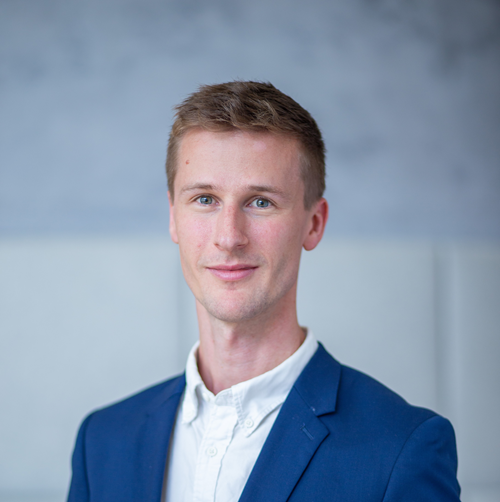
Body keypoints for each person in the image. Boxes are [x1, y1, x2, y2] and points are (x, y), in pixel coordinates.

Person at [67, 81, 461, 502]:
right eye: (204, 199)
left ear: (314, 223)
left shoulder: (403, 448)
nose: (229, 237)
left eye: (260, 202)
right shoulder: (103, 442)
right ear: (173, 217)